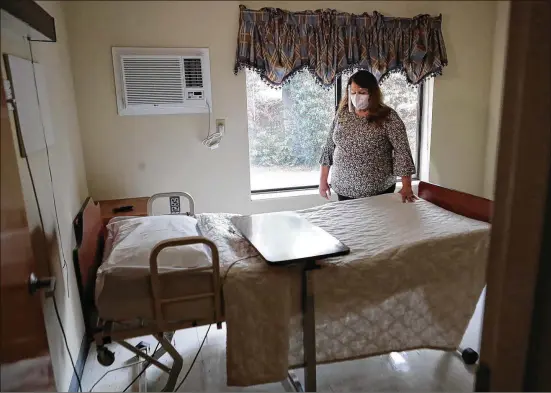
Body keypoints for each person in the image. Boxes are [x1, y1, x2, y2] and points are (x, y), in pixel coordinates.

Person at [319, 70, 417, 203]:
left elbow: (402, 151)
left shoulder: (388, 117)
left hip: (378, 191)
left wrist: (407, 186)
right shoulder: (343, 113)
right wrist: (323, 181)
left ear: (372, 93)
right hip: (343, 190)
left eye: (362, 93)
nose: (356, 96)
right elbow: (329, 147)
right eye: (353, 92)